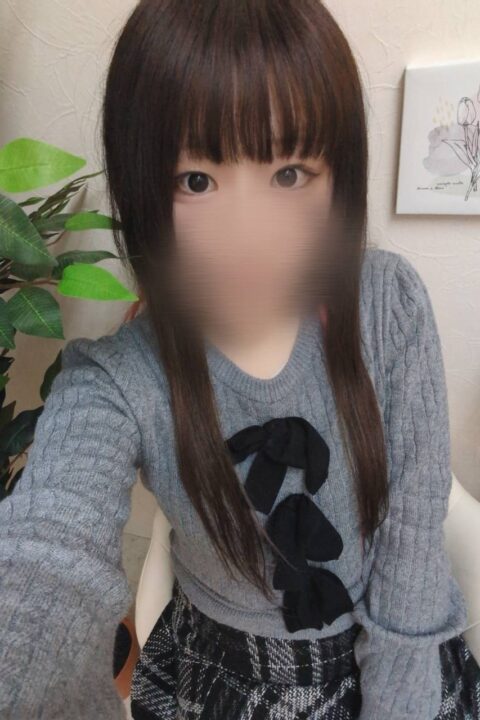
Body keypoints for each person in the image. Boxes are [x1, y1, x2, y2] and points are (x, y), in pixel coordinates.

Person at [1, 1, 479, 719]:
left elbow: (411, 550)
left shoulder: (387, 306)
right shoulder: (120, 380)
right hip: (226, 679)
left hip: (396, 654)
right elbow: (46, 558)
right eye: (195, 180)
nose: (248, 234)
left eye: (289, 173)